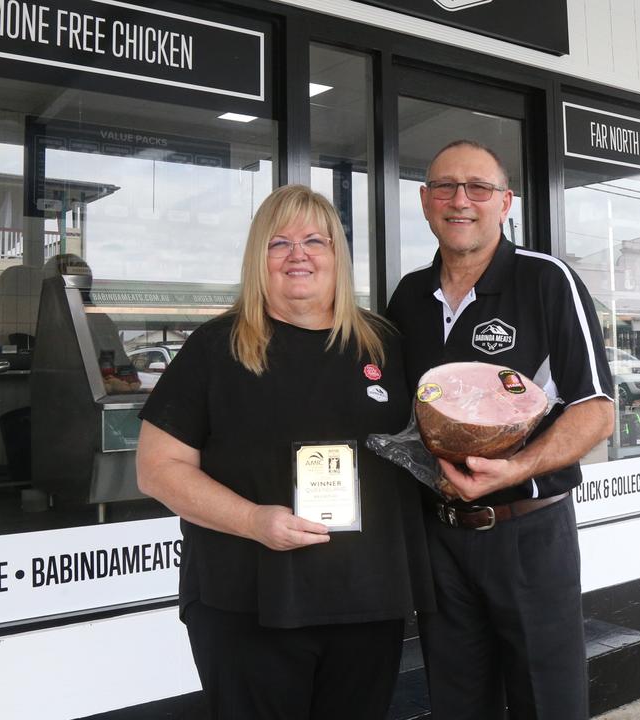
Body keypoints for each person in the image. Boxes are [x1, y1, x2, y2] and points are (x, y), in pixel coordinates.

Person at [136, 185, 433, 720]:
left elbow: (423, 448)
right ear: (259, 259)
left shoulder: (385, 345)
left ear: (337, 255)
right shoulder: (215, 347)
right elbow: (158, 470)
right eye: (280, 243)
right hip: (248, 600)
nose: (299, 254)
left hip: (367, 601)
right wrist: (252, 520)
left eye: (314, 240)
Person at [386, 140, 615, 720]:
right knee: (457, 703)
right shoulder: (409, 297)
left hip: (528, 536)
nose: (460, 201)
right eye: (444, 186)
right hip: (439, 536)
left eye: (478, 188)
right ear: (423, 200)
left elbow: (596, 408)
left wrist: (514, 468)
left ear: (505, 201)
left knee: (548, 703)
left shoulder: (546, 281)